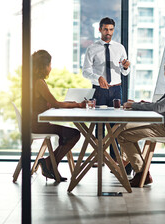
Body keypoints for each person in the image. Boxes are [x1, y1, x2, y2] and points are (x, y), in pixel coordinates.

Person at [117, 53, 165, 187]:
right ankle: (126, 161)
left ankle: (142, 173)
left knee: (123, 136)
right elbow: (163, 104)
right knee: (124, 127)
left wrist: (134, 105)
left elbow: (159, 107)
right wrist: (140, 103)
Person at [82, 17, 131, 165]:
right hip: (99, 90)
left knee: (115, 125)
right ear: (100, 30)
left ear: (113, 30)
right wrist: (98, 78)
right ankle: (100, 157)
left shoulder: (120, 48)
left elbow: (125, 73)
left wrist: (126, 67)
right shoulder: (92, 48)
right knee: (99, 124)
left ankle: (115, 159)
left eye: (111, 30)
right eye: (105, 29)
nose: (108, 33)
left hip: (116, 90)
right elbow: (85, 72)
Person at [32, 50, 85, 182]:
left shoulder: (32, 81)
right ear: (43, 67)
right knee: (74, 134)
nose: (50, 68)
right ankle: (49, 163)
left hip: (35, 123)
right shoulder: (39, 82)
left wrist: (68, 104)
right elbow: (55, 103)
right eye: (49, 65)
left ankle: (49, 163)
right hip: (38, 126)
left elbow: (48, 103)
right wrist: (77, 105)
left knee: (70, 133)